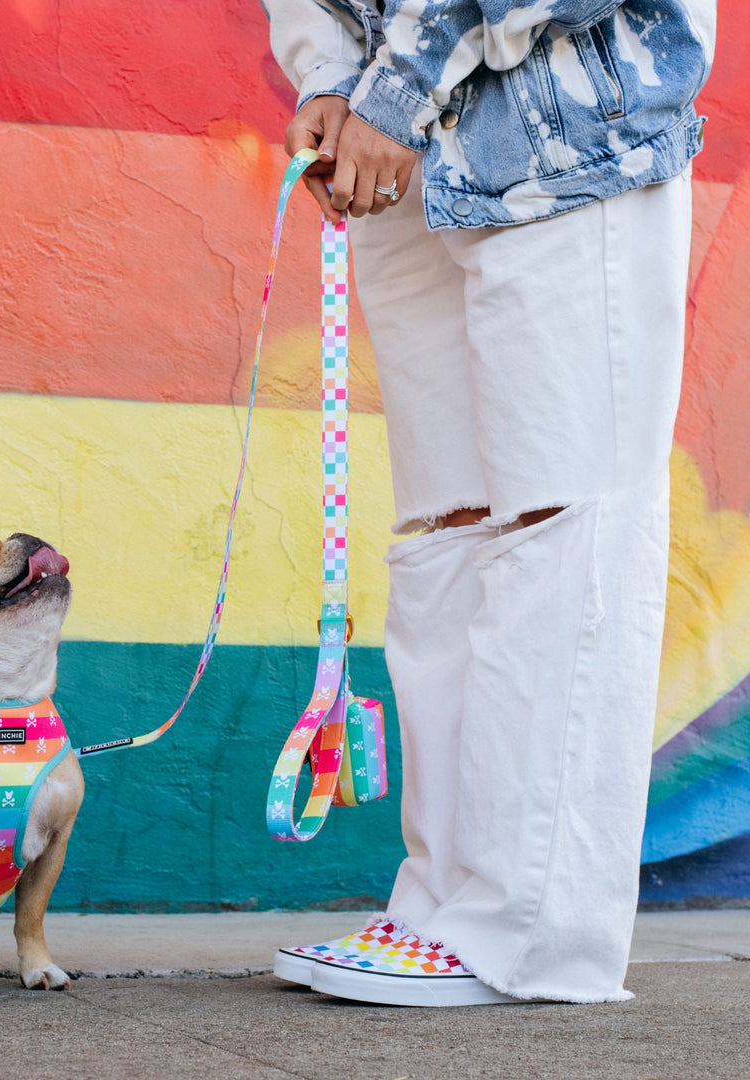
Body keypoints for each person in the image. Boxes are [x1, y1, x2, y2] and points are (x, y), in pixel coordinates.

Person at [261, 0, 717, 1005]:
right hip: (408, 164)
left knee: (563, 530)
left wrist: (388, 91)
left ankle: (531, 933)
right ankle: (443, 905)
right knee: (446, 539)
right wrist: (329, 81)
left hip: (564, 144)